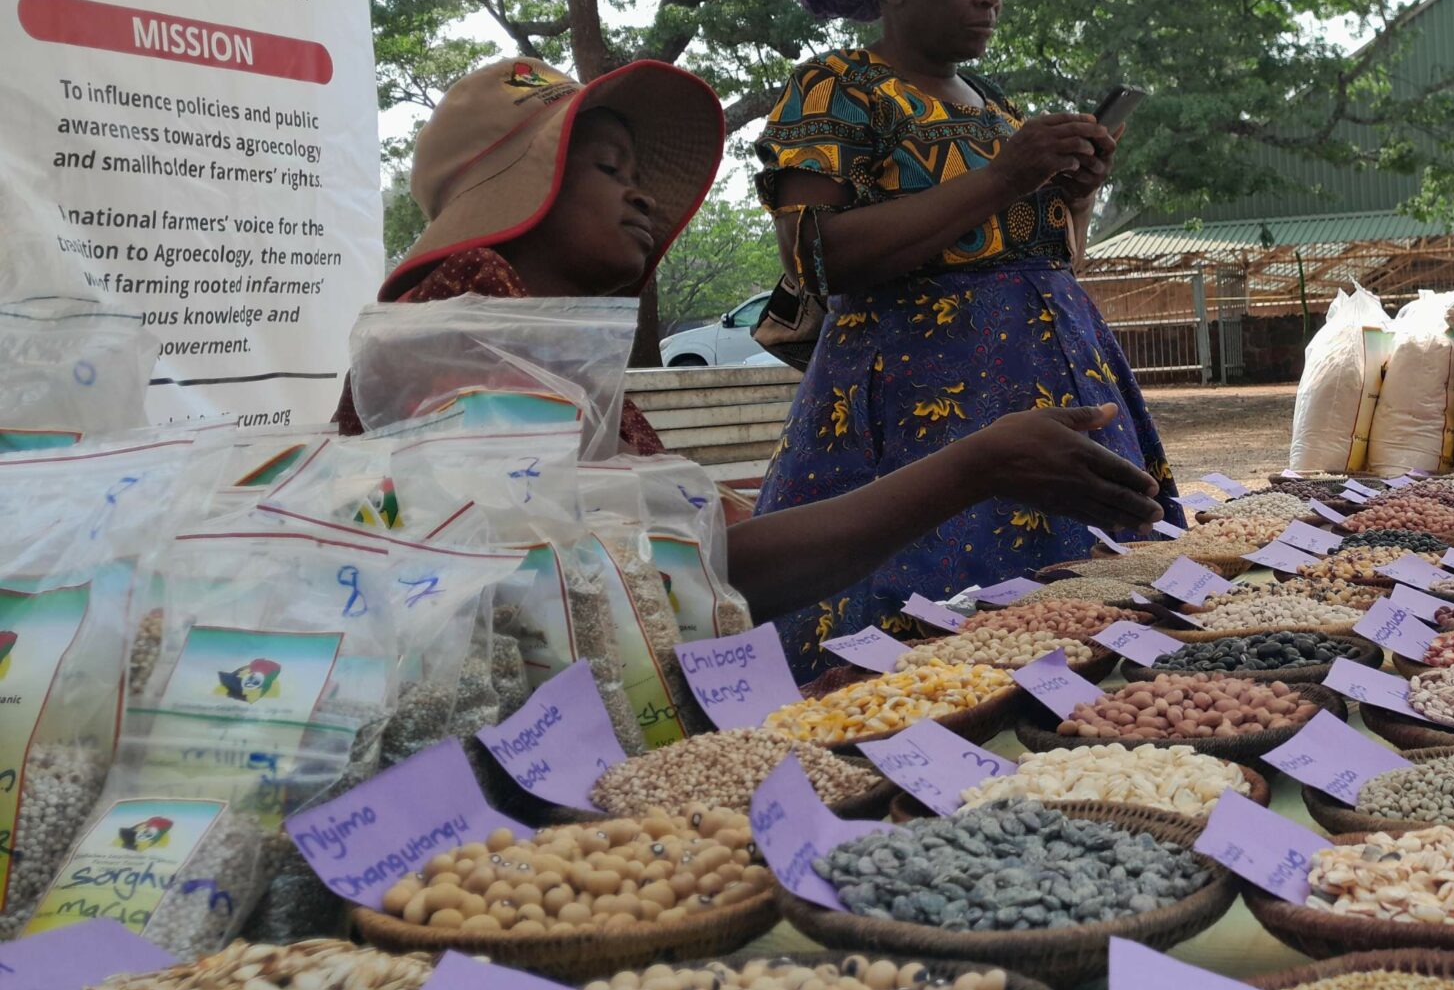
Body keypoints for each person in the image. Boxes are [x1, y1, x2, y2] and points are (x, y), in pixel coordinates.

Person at [341, 56, 1166, 626]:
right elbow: (661, 577)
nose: (640, 197)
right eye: (607, 167)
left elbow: (658, 554)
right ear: (520, 187)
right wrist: (974, 466)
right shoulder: (460, 314)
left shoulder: (527, 329)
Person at [750, 0, 1178, 671]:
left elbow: (1046, 262)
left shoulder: (992, 107)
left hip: (1057, 390)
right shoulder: (839, 87)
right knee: (920, 640)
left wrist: (1073, 201)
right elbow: (816, 254)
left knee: (1081, 621)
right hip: (923, 410)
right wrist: (1004, 179)